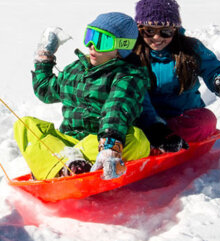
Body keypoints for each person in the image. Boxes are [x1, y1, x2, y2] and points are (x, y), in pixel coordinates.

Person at [14, 12, 150, 180]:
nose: (92, 45)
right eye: (90, 36)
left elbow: (117, 106)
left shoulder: (128, 75)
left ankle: (57, 164)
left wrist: (109, 142)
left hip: (99, 142)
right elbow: (46, 91)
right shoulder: (75, 69)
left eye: (102, 41)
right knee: (25, 125)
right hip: (67, 141)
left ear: (121, 48)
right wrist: (44, 58)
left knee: (137, 139)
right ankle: (68, 162)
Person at [133, 0, 220, 151]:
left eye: (165, 31)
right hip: (148, 118)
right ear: (140, 29)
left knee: (205, 120)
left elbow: (214, 69)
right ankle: (152, 137)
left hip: (183, 116)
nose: (156, 37)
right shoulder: (133, 53)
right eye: (149, 31)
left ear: (175, 29)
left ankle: (159, 140)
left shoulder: (190, 48)